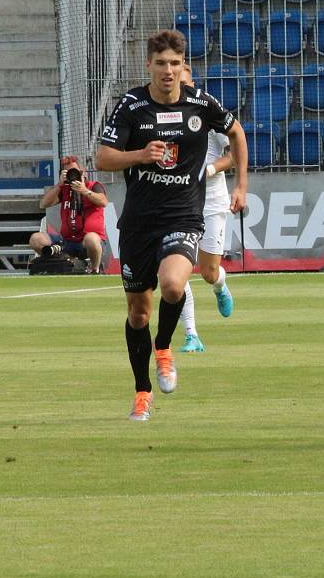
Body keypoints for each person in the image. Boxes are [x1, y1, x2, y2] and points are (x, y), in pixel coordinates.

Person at [95, 29, 248, 421]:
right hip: (138, 223)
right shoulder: (131, 105)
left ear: (184, 67)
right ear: (149, 65)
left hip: (183, 215)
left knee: (174, 285)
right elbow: (103, 159)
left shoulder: (200, 102)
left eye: (175, 64)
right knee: (138, 314)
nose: (168, 71)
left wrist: (243, 185)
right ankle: (141, 391)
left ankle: (164, 348)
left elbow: (236, 132)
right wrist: (141, 154)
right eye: (161, 63)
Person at [175, 63, 242, 353]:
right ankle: (192, 334)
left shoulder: (206, 111)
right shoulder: (161, 115)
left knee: (208, 271)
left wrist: (212, 169)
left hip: (212, 201)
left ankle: (219, 285)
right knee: (178, 269)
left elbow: (233, 154)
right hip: (177, 201)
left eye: (185, 82)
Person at [29, 155, 108, 274]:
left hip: (87, 242)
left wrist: (85, 191)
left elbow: (103, 201)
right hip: (66, 241)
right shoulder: (64, 189)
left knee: (91, 238)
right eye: (68, 172)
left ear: (83, 172)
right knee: (36, 239)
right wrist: (60, 184)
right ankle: (59, 262)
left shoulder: (93, 186)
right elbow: (44, 203)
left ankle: (95, 269)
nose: (72, 175)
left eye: (75, 171)